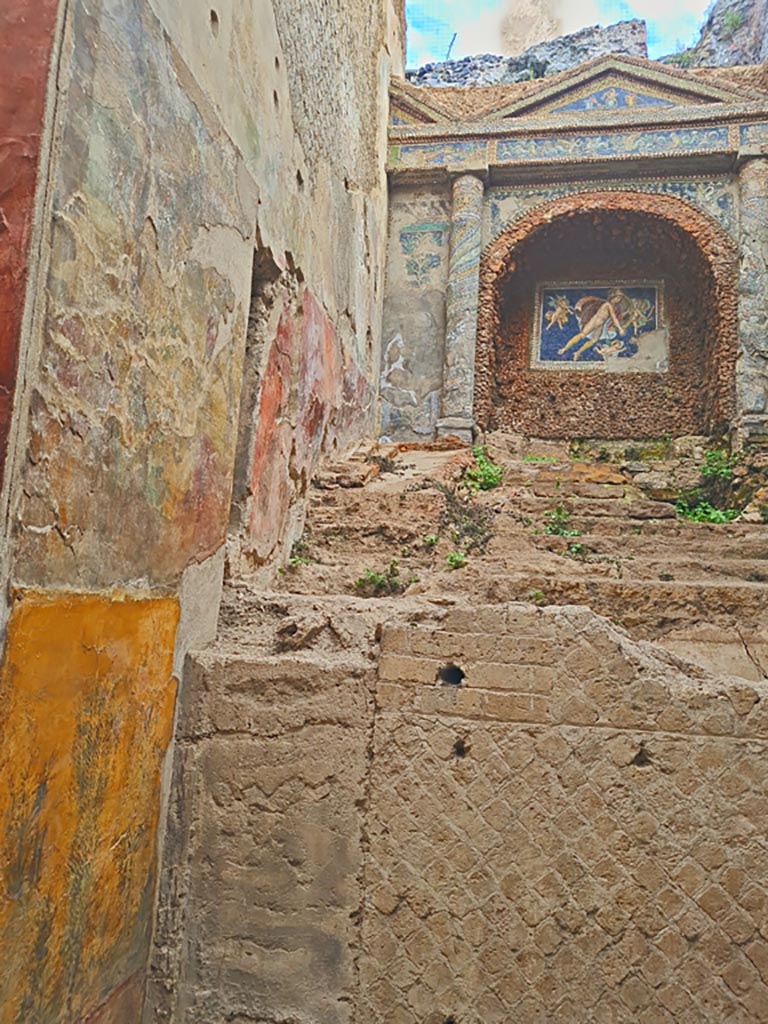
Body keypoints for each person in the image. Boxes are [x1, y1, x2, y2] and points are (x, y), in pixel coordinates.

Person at [557, 289, 628, 361]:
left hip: (600, 325)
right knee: (582, 335)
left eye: (620, 298)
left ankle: (578, 352)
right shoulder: (608, 304)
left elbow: (614, 318)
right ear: (613, 297)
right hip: (595, 321)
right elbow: (613, 317)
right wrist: (620, 328)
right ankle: (564, 348)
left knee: (594, 340)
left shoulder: (614, 307)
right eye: (618, 298)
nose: (619, 300)